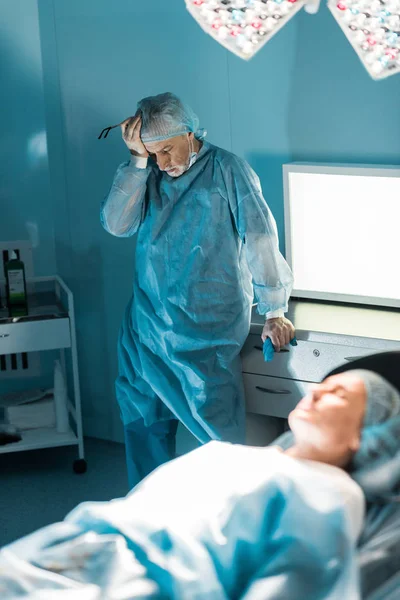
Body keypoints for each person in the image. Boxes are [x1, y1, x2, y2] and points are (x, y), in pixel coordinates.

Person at [2, 359, 399, 599]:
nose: (313, 394)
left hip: (135, 581)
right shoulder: (232, 455)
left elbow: (295, 585)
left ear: (364, 438)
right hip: (66, 549)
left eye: (338, 395)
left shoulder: (330, 491)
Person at [101, 92, 295, 488]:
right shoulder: (147, 173)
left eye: (168, 150)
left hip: (206, 329)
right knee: (144, 424)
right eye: (154, 154)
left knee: (220, 439)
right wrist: (138, 162)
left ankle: (234, 520)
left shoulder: (228, 170)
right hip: (148, 327)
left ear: (190, 133)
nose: (164, 163)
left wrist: (274, 310)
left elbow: (259, 237)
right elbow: (116, 224)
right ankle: (149, 514)